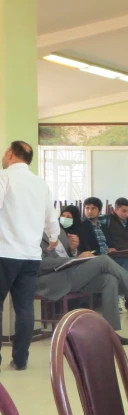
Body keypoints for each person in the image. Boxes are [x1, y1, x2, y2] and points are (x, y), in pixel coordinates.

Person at [0, 140, 59, 371]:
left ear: (11, 154)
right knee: (24, 308)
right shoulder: (40, 184)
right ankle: (20, 359)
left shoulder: (4, 177)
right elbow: (50, 217)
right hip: (31, 256)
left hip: (4, 253)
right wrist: (53, 237)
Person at [37, 225, 128, 346]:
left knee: (109, 279)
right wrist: (74, 257)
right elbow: (41, 263)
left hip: (72, 273)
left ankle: (110, 333)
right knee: (104, 260)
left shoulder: (59, 231)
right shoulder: (34, 233)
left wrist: (74, 249)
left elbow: (68, 254)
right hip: (53, 279)